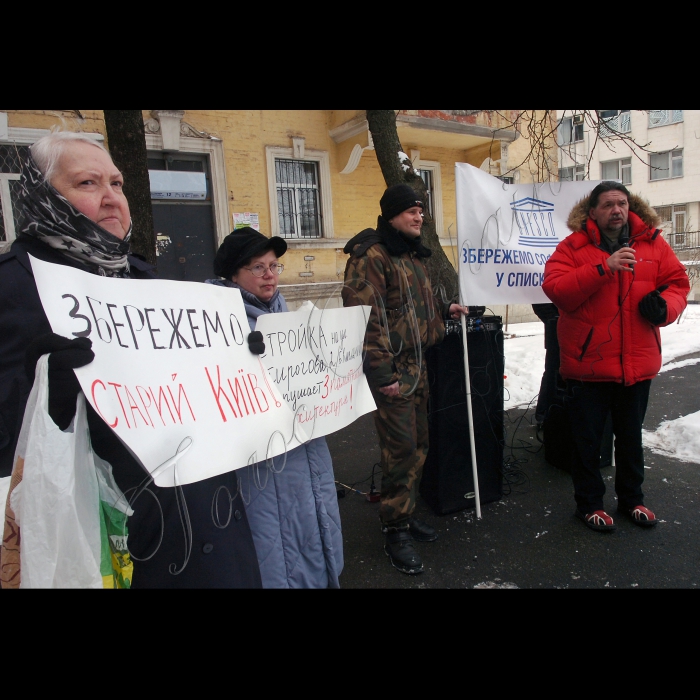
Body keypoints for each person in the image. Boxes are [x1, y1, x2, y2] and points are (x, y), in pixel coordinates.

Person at [0, 132, 262, 588]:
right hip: (112, 548)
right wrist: (49, 400)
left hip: (211, 525)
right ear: (41, 196)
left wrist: (243, 359)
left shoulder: (143, 277)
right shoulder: (11, 289)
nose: (111, 199)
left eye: (118, 184)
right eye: (87, 183)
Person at [543, 181, 690, 532]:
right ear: (592, 212)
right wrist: (603, 268)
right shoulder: (574, 247)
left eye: (622, 203)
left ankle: (632, 500)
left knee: (630, 437)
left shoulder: (652, 244)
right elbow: (556, 288)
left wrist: (664, 308)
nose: (616, 210)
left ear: (631, 207)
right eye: (608, 204)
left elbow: (678, 284)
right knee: (587, 443)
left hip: (636, 364)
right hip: (588, 365)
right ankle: (589, 504)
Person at [206, 228, 344, 588]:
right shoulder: (213, 327)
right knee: (272, 540)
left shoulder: (288, 320)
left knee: (311, 527)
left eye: (274, 266)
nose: (270, 275)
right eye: (258, 267)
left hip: (307, 449)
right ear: (233, 275)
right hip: (262, 466)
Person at [341, 184, 467, 574]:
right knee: (400, 452)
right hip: (393, 373)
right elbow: (365, 319)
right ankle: (395, 529)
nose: (419, 217)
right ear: (393, 214)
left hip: (418, 367)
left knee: (419, 446)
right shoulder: (371, 256)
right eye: (412, 211)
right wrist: (381, 374)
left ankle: (406, 511)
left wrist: (444, 308)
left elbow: (410, 306)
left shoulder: (409, 254)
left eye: (421, 211)